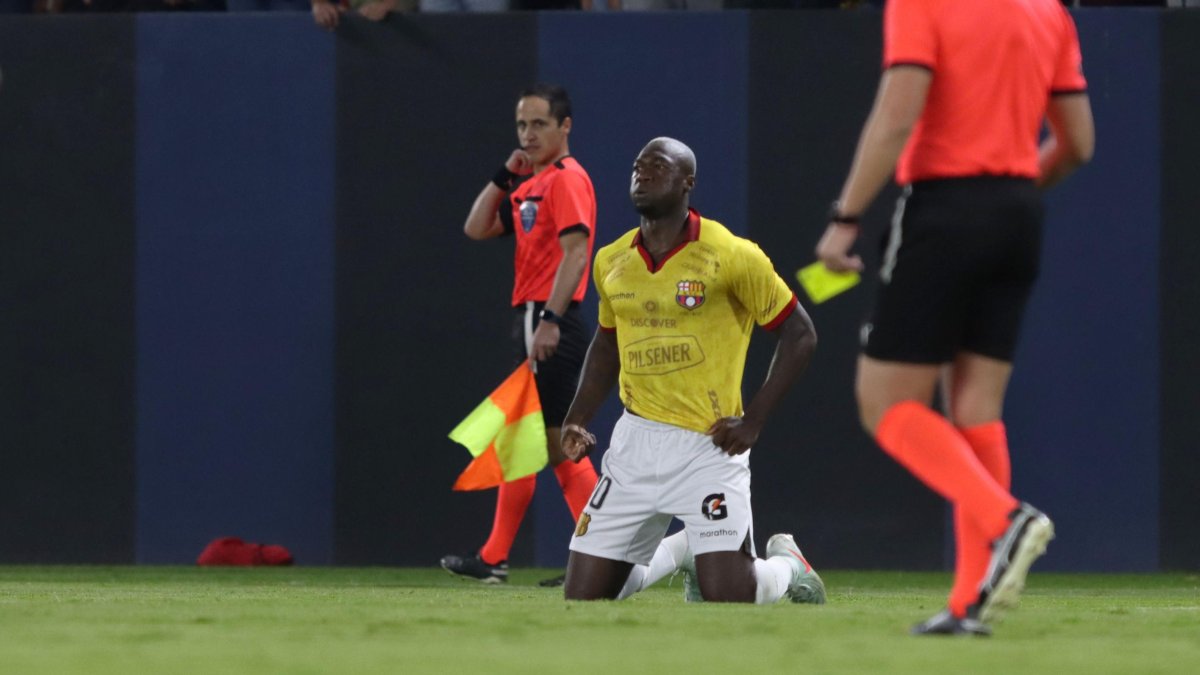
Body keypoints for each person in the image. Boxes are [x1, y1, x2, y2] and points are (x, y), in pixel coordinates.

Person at [813, 0, 1094, 635]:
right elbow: (1078, 143)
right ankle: (971, 601)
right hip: (1020, 210)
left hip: (944, 207)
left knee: (884, 402)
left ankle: (1006, 519)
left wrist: (845, 218)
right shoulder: (1048, 11)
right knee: (975, 409)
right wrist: (1007, 197)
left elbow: (897, 114)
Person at [558, 137, 825, 605]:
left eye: (658, 166)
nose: (643, 173)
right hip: (635, 445)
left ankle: (789, 566)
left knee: (730, 596)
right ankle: (684, 550)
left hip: (708, 446)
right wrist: (578, 416)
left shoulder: (732, 254)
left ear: (688, 183)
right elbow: (607, 343)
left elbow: (800, 334)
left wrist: (754, 420)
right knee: (585, 599)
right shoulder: (612, 260)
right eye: (638, 165)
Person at [440, 84, 599, 586]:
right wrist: (503, 176)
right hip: (535, 319)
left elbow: (577, 253)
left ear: (565, 127)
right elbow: (476, 227)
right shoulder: (534, 183)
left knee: (555, 445)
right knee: (527, 440)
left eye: (539, 125)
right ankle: (499, 558)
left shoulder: (566, 179)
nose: (528, 134)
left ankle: (601, 558)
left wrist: (550, 320)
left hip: (548, 320)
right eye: (522, 125)